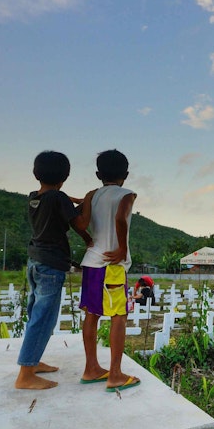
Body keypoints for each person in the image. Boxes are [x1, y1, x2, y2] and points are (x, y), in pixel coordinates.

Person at [15, 150, 90, 390]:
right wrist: (88, 201)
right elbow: (79, 224)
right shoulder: (59, 199)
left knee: (35, 314)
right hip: (51, 265)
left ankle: (32, 362)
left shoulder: (34, 197)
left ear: (36, 174)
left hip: (35, 261)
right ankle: (25, 375)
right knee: (44, 317)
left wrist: (71, 200)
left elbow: (58, 199)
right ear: (65, 176)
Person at [78, 149, 140, 392]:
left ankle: (91, 368)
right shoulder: (127, 194)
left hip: (91, 261)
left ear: (97, 174)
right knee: (119, 316)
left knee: (91, 314)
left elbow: (80, 222)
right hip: (111, 265)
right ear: (125, 174)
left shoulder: (91, 195)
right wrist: (122, 249)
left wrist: (86, 238)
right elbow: (121, 219)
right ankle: (115, 374)